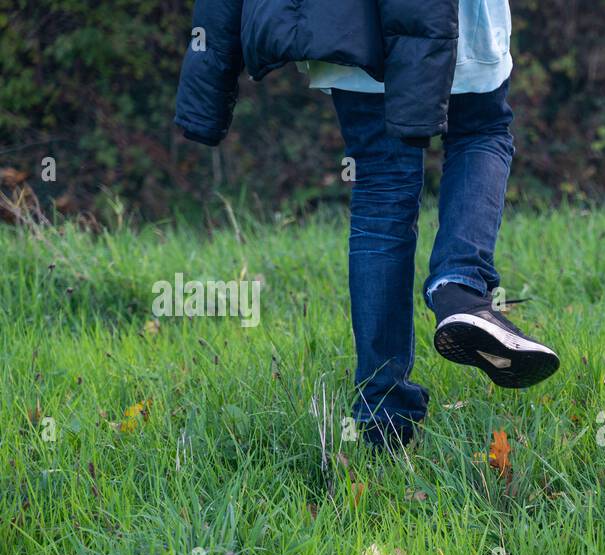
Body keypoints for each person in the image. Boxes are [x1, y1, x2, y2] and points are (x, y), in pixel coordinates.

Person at [174, 0, 558, 449]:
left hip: (349, 21)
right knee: (480, 131)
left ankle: (382, 412)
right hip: (451, 20)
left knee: (380, 184)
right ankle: (459, 286)